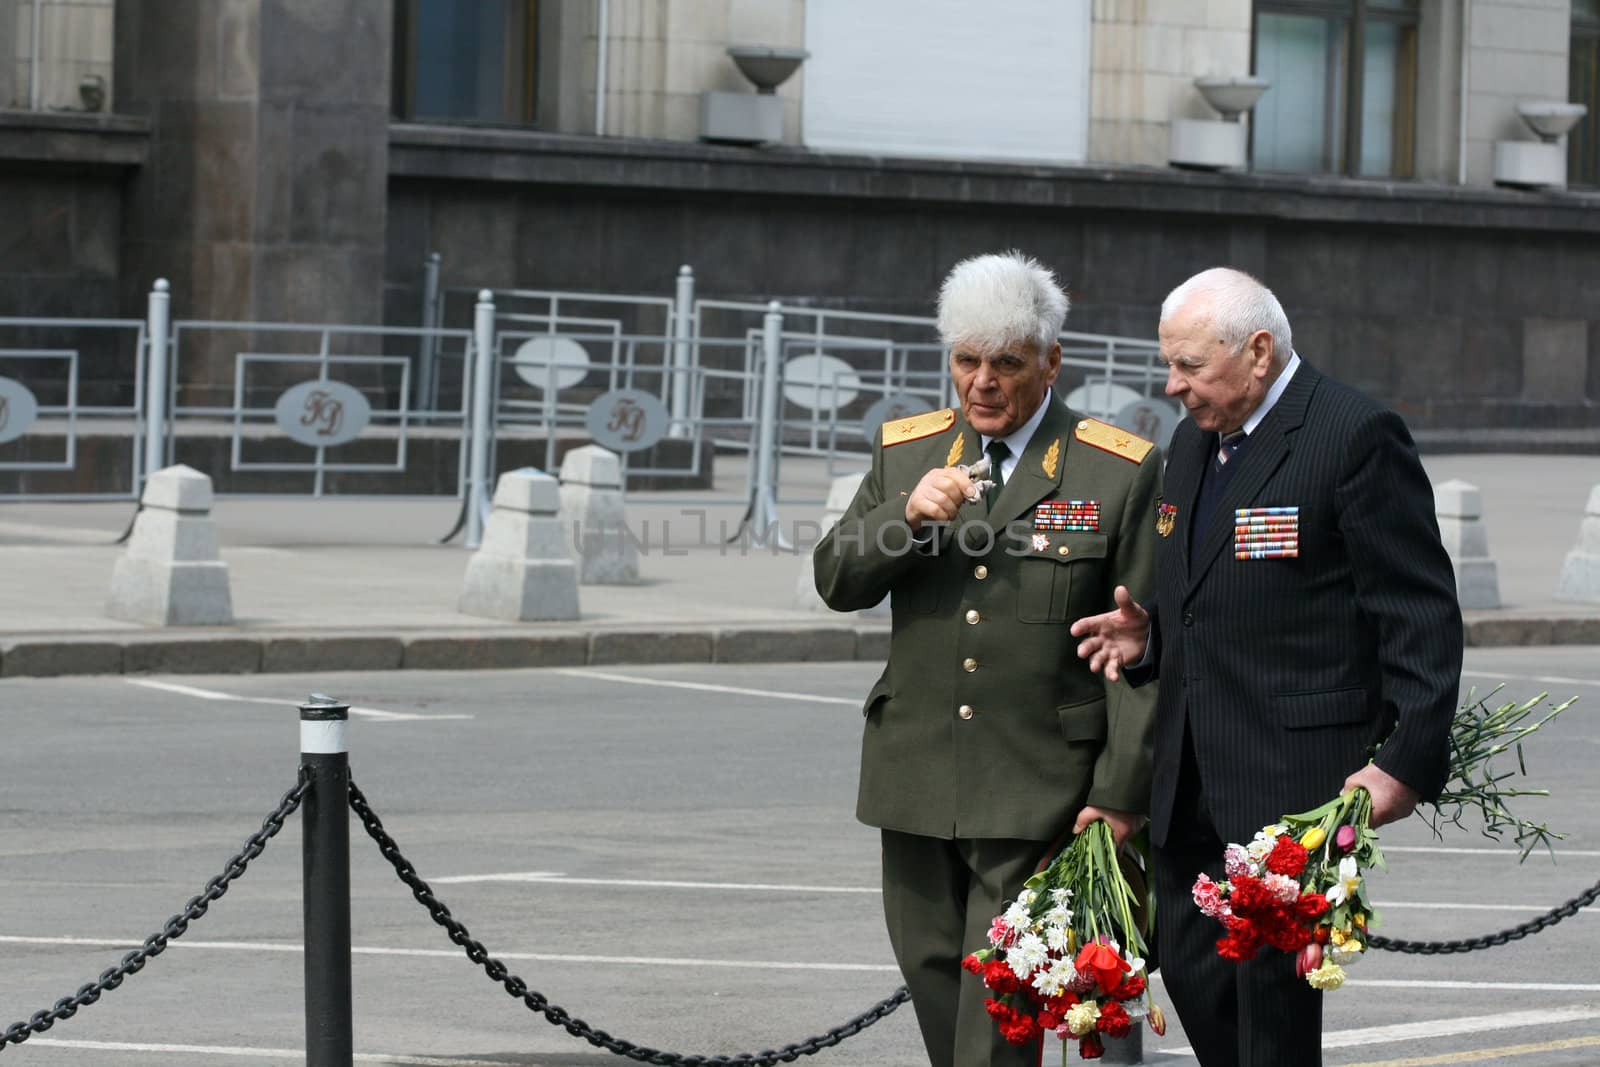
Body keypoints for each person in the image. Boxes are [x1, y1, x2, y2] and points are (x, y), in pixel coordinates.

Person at [1070, 267, 1463, 1067]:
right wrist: (1149, 642)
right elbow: (1206, 599)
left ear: (1257, 351)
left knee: (1275, 1025)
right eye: (1170, 365)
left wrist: (1403, 762)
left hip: (1293, 791)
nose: (1171, 385)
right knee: (1192, 973)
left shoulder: (1352, 433)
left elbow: (1419, 614)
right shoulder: (1193, 442)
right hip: (1188, 790)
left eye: (1188, 366)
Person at [813, 250, 1163, 1067]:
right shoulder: (910, 451)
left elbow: (1141, 651)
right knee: (933, 974)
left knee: (997, 1004)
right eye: (966, 361)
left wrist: (1119, 795)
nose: (983, 384)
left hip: (1037, 783)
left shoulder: (1116, 469)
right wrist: (905, 516)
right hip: (915, 775)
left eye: (1006, 363)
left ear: (1051, 363)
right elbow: (836, 579)